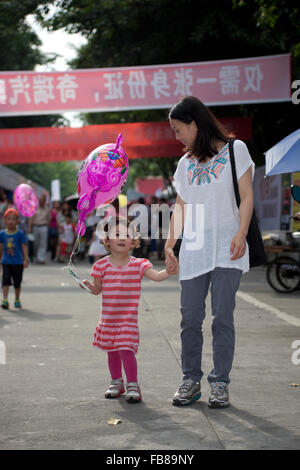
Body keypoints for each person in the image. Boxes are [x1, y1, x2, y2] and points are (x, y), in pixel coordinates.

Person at [165, 96, 254, 409]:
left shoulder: (235, 150)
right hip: (195, 248)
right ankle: (190, 379)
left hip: (229, 245)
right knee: (189, 318)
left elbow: (246, 196)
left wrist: (241, 233)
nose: (177, 137)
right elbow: (181, 206)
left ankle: (220, 383)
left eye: (179, 130)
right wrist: (169, 244)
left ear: (194, 124)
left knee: (222, 317)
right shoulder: (185, 163)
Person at [81, 216, 177, 403]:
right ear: (107, 241)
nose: (123, 238)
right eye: (117, 234)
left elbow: (156, 276)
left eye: (127, 234)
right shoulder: (100, 266)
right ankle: (117, 382)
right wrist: (88, 286)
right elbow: (97, 289)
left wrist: (169, 272)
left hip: (127, 319)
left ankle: (133, 384)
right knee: (112, 351)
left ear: (133, 241)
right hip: (108, 319)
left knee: (125, 349)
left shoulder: (139, 264)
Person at [0, 208, 29, 309]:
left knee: (17, 281)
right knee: (5, 280)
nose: (11, 221)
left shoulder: (20, 234)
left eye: (13, 219)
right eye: (8, 219)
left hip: (18, 262)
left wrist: (26, 258)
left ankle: (17, 298)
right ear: (4, 221)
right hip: (6, 261)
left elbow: (24, 246)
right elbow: (0, 248)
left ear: (17, 221)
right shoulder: (2, 234)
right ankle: (5, 299)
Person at [28, 194, 51, 264]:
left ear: (44, 201)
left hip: (44, 226)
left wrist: (47, 225)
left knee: (43, 243)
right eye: (40, 200)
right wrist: (29, 227)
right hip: (35, 226)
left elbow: (49, 218)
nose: (41, 201)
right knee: (36, 243)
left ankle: (41, 258)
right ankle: (36, 257)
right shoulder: (34, 207)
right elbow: (31, 219)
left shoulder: (47, 209)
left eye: (43, 200)